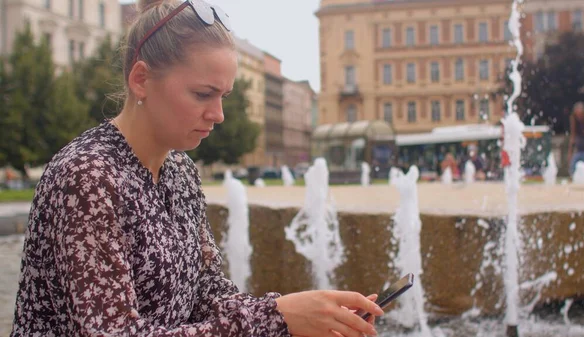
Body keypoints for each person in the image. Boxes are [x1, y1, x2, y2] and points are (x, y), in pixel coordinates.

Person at [10, 1, 384, 336]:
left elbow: (208, 295)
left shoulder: (180, 170)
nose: (218, 114)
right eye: (203, 94)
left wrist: (307, 317)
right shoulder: (87, 177)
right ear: (141, 80)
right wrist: (277, 319)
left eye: (223, 96)